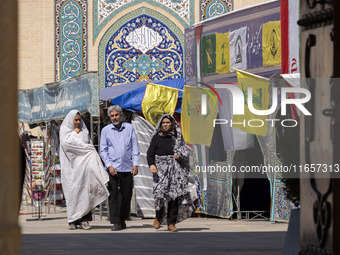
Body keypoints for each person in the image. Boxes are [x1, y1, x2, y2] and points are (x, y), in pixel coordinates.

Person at [59, 110, 110, 230]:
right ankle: (73, 220)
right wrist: (74, 133)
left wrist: (76, 133)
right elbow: (67, 145)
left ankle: (85, 220)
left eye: (79, 120)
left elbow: (87, 147)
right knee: (73, 193)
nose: (77, 122)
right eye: (75, 120)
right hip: (70, 169)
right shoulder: (65, 130)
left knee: (86, 193)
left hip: (84, 168)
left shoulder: (84, 130)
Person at [147, 114, 194, 232]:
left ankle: (171, 223)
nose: (165, 125)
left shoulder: (177, 138)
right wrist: (152, 165)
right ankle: (158, 217)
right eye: (163, 123)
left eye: (167, 123)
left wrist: (179, 156)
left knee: (174, 196)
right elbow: (150, 153)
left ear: (172, 124)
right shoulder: (156, 137)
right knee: (159, 195)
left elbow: (185, 153)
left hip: (175, 170)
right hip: (160, 171)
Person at [100, 105, 140, 231]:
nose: (114, 118)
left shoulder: (129, 128)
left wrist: (136, 163)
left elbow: (135, 147)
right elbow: (103, 150)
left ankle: (123, 219)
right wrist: (109, 165)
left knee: (126, 195)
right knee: (113, 195)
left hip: (127, 167)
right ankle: (116, 221)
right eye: (112, 116)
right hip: (113, 168)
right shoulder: (106, 130)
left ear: (121, 115)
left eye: (116, 115)